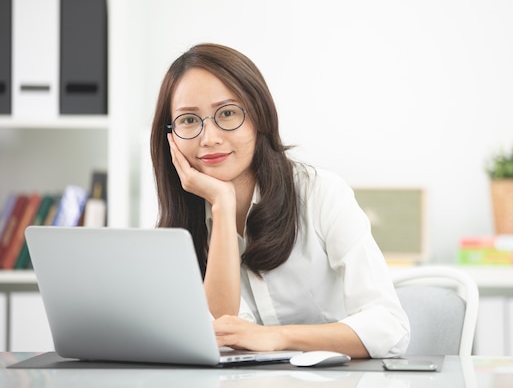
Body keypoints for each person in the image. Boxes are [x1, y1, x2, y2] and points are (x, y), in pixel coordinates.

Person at [150, 43, 409, 359]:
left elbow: (390, 326)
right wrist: (222, 203)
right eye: (189, 120)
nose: (209, 138)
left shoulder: (321, 193)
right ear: (170, 136)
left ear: (259, 116)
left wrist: (276, 338)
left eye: (227, 113)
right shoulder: (178, 229)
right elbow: (219, 333)